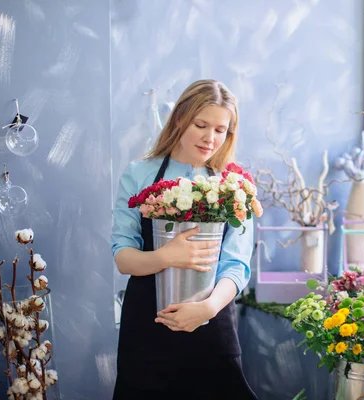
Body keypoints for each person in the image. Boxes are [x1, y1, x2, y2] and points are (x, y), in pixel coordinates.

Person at [111, 79, 257, 399]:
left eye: (221, 130)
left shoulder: (234, 185)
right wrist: (167, 256)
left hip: (212, 318)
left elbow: (236, 264)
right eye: (201, 125)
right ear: (180, 118)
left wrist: (207, 309)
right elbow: (123, 258)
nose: (210, 138)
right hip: (148, 321)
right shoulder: (138, 174)